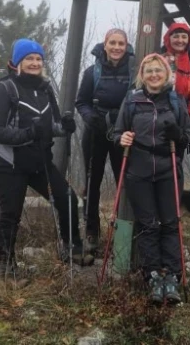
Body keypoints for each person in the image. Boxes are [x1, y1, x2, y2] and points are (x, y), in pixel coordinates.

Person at [0, 38, 94, 277]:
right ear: (17, 63)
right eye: (29, 59)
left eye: (38, 59)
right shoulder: (4, 89)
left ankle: (72, 249)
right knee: (11, 215)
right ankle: (6, 268)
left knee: (66, 198)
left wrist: (64, 127)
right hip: (9, 163)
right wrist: (28, 134)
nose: (34, 63)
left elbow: (51, 126)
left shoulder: (44, 89)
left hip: (38, 162)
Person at [113, 53, 190, 304]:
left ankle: (172, 275)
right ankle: (152, 275)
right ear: (142, 75)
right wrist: (121, 138)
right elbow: (117, 132)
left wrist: (177, 134)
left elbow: (188, 136)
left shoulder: (175, 101)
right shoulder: (131, 101)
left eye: (158, 70)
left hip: (169, 168)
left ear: (167, 74)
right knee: (148, 225)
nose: (154, 75)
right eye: (149, 71)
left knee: (170, 223)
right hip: (139, 170)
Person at [74, 28, 135, 252]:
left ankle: (121, 230)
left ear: (126, 46)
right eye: (113, 43)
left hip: (123, 133)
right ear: (105, 44)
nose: (117, 47)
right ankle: (91, 232)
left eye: (121, 43)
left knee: (125, 182)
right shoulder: (92, 72)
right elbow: (81, 102)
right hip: (96, 132)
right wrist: (93, 119)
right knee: (92, 182)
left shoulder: (133, 71)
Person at [160, 22, 190, 123]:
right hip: (159, 117)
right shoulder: (159, 59)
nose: (180, 40)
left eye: (184, 37)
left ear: (189, 39)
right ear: (168, 38)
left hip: (183, 118)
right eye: (176, 37)